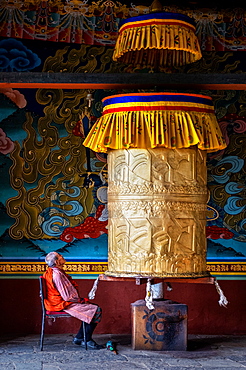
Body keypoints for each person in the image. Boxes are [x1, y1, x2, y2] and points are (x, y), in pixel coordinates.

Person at [43, 251, 103, 350]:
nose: (62, 256)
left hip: (58, 302)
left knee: (91, 309)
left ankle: (79, 338)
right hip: (61, 304)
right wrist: (79, 300)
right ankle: (86, 340)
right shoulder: (57, 275)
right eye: (60, 256)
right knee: (96, 310)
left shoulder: (54, 272)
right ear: (57, 262)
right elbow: (67, 297)